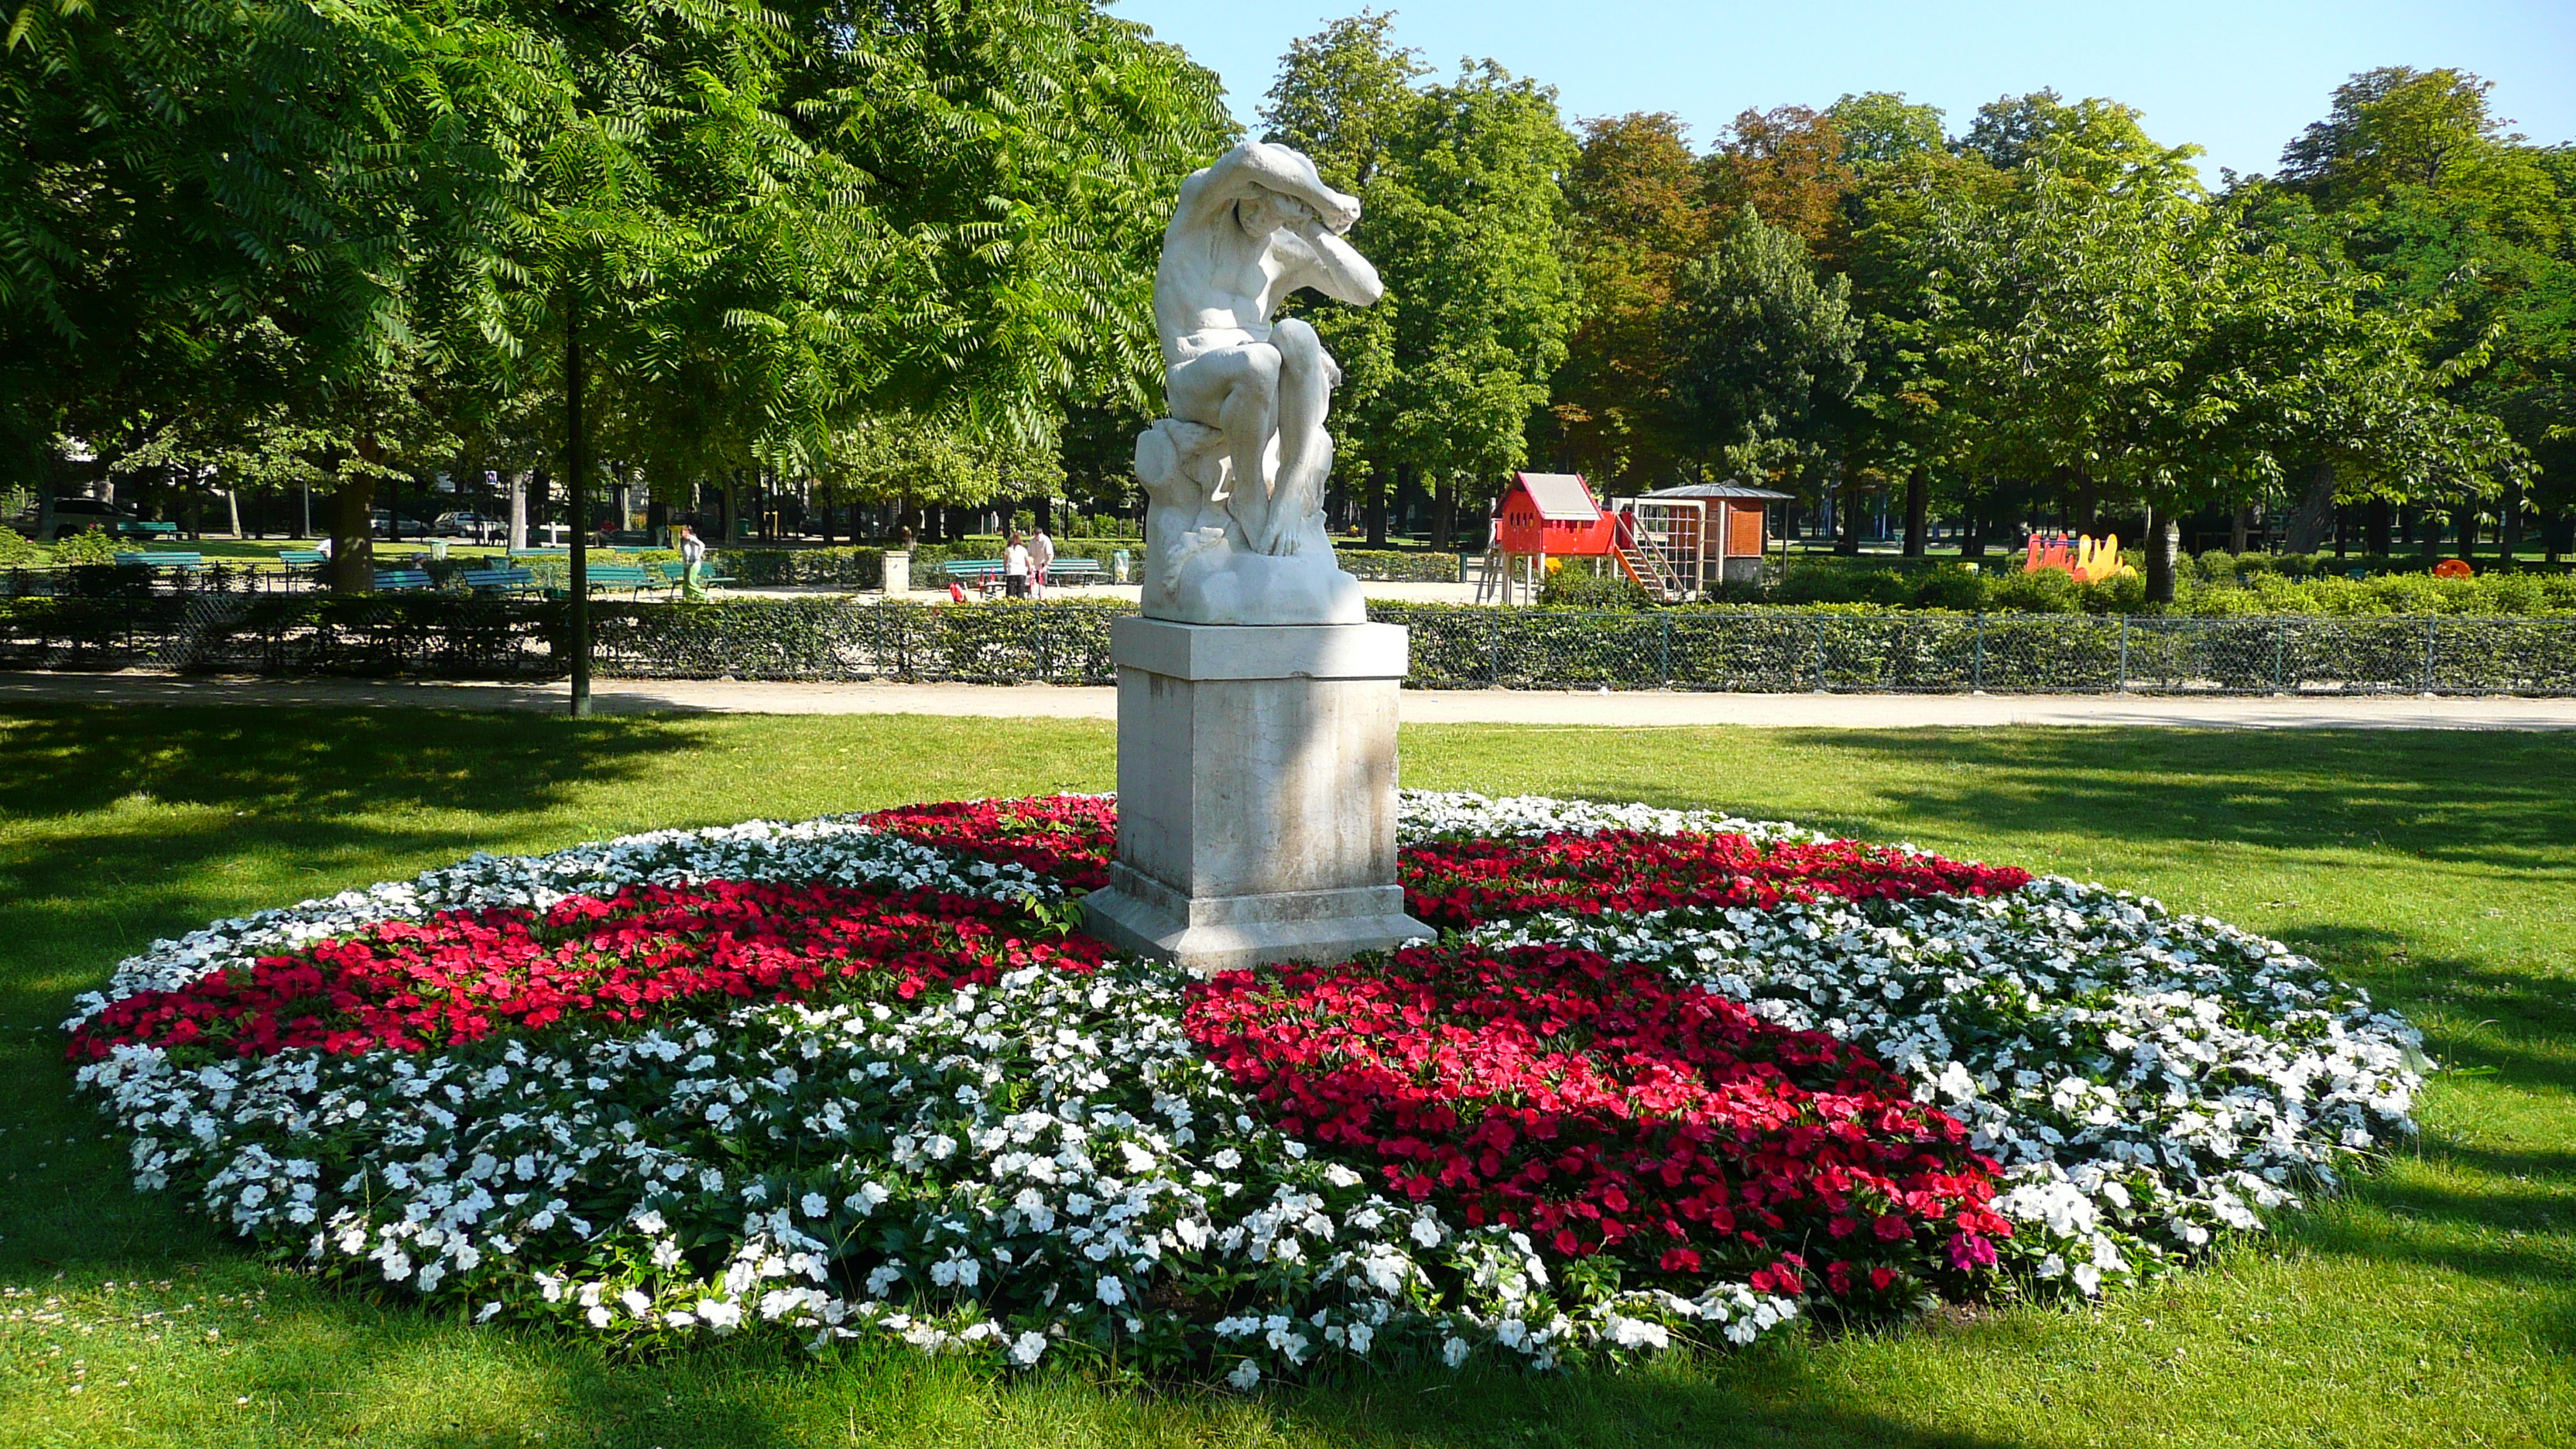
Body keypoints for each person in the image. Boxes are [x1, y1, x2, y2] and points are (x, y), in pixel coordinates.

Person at [675, 524, 707, 599]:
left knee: (691, 582)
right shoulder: (685, 540)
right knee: (686, 583)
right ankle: (687, 597)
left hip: (694, 564)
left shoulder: (692, 538)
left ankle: (704, 596)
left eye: (682, 531)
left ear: (688, 532)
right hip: (687, 564)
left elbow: (702, 545)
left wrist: (698, 557)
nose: (681, 533)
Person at [1029, 526, 1056, 601]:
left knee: (1042, 582)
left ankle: (1041, 598)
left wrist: (1046, 566)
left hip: (1043, 564)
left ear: (1042, 533)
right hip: (1034, 565)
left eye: (1038, 535)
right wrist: (1030, 565)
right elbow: (1029, 554)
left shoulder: (1046, 540)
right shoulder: (1032, 541)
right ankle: (1032, 597)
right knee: (1032, 582)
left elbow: (1050, 555)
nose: (1037, 537)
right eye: (1035, 535)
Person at [1003, 530, 1032, 599]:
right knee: (1020, 590)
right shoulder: (1023, 549)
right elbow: (1027, 561)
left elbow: (1005, 561)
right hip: (1021, 571)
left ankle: (1009, 603)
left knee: (1010, 591)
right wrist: (1029, 568)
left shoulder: (1008, 549)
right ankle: (1021, 604)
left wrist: (1005, 568)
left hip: (1011, 571)